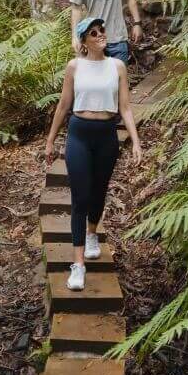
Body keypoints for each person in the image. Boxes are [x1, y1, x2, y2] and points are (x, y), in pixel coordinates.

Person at [45, 15, 142, 291]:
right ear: (84, 41)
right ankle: (78, 265)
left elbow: (125, 107)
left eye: (102, 29)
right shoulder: (74, 66)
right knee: (81, 197)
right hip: (79, 133)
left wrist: (135, 141)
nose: (101, 34)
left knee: (99, 192)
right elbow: (63, 105)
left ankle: (92, 234)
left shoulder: (117, 66)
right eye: (94, 32)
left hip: (106, 135)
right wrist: (51, 141)